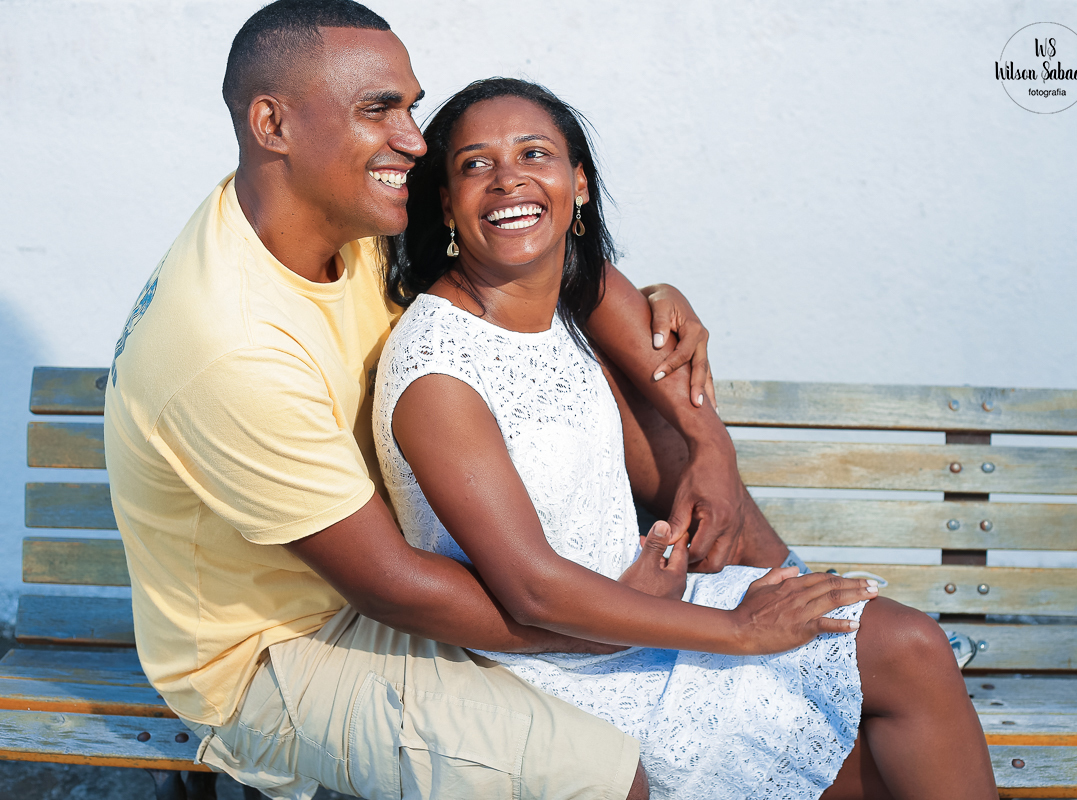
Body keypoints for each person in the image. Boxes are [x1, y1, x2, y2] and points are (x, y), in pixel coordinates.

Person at [102, 2, 811, 798]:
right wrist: (610, 622)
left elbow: (559, 264)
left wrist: (704, 432)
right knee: (602, 776)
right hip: (285, 651)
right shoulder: (228, 344)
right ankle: (770, 635)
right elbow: (392, 587)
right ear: (274, 123)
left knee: (661, 434)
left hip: (422, 564)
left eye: (409, 104)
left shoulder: (338, 212)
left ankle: (811, 615)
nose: (414, 138)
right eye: (380, 109)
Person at [375, 78, 999, 800]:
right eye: (475, 164)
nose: (509, 177)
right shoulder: (438, 373)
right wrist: (741, 629)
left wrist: (714, 450)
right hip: (555, 666)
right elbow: (533, 591)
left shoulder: (573, 283)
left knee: (916, 648)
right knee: (876, 773)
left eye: (534, 153)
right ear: (448, 204)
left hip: (650, 603)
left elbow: (661, 352)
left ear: (577, 184)